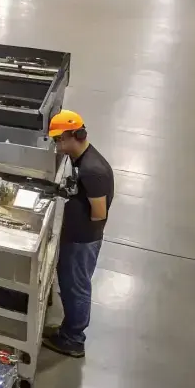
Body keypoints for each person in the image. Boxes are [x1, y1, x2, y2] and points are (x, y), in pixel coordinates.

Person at [43, 109, 114, 359]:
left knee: (76, 288)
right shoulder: (79, 160)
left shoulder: (92, 170)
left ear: (76, 136)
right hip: (75, 236)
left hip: (82, 240)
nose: (57, 145)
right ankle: (67, 330)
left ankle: (74, 339)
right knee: (69, 284)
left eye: (59, 140)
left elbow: (99, 213)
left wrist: (75, 220)